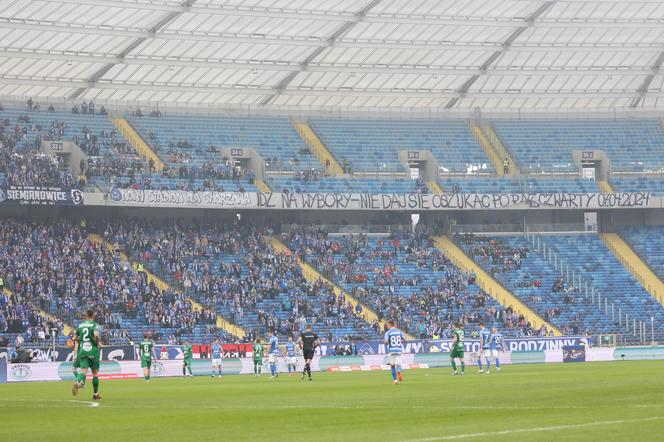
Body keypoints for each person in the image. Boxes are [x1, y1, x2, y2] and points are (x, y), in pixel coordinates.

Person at [71, 309, 102, 400]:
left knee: (83, 371)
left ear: (85, 315)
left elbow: (74, 338)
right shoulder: (94, 325)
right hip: (93, 351)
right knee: (95, 373)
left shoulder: (80, 325)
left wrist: (82, 340)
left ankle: (78, 382)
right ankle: (95, 394)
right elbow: (96, 335)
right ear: (93, 315)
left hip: (83, 351)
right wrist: (96, 342)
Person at [384, 320, 404, 385]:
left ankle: (395, 380)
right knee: (398, 364)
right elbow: (406, 339)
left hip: (391, 350)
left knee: (392, 366)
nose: (387, 326)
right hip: (398, 350)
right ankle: (399, 372)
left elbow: (386, 342)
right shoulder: (399, 331)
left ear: (390, 325)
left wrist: (386, 344)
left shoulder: (388, 332)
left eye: (387, 325)